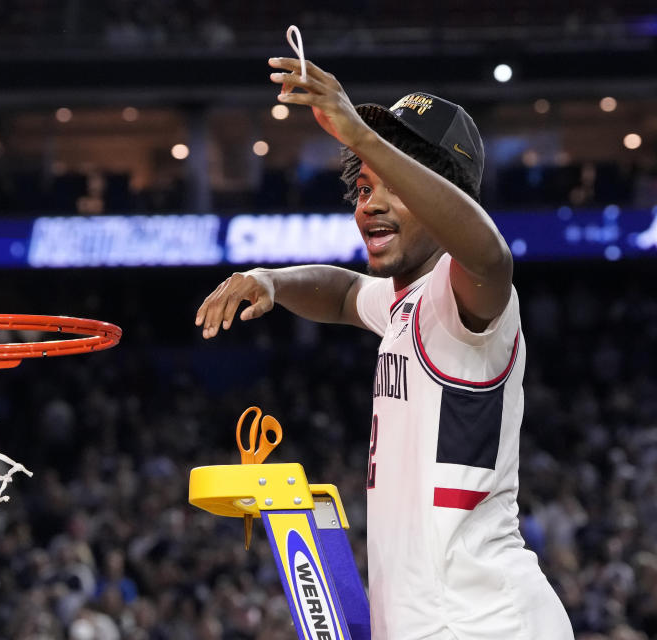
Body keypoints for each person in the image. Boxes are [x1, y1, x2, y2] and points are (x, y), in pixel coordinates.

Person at [194, 56, 575, 640]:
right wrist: (271, 280)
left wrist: (359, 134)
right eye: (365, 185)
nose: (369, 203)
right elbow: (345, 292)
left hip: (486, 624)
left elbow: (490, 255)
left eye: (396, 185)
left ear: (443, 197)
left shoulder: (465, 294)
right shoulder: (405, 301)